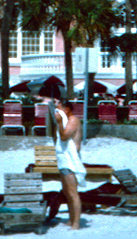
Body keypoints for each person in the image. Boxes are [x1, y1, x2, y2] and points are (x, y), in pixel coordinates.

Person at [48, 96, 85, 229]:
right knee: (67, 192)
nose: (56, 113)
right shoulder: (63, 121)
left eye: (59, 109)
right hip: (63, 159)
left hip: (71, 160)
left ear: (67, 109)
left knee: (73, 192)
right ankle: (71, 219)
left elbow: (64, 137)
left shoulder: (73, 120)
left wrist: (58, 123)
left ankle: (76, 223)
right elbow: (56, 138)